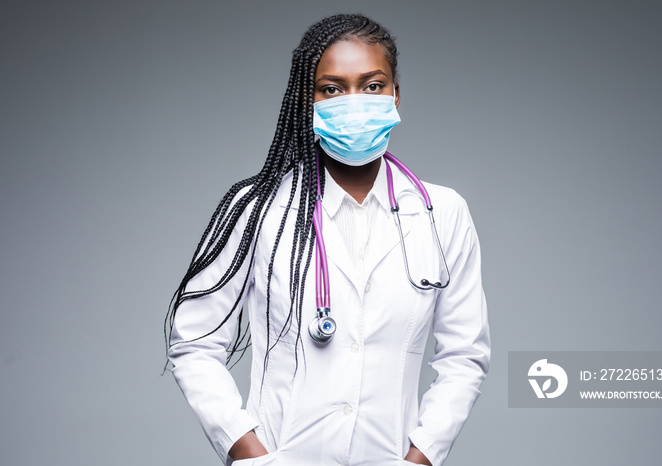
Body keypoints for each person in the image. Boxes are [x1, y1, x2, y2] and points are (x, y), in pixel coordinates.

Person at [166, 13, 490, 466]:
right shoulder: (259, 209)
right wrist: (248, 454)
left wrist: (421, 458)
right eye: (332, 89)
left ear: (396, 95)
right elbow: (194, 343)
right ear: (307, 101)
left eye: (373, 85)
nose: (353, 101)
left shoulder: (443, 214)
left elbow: (464, 356)